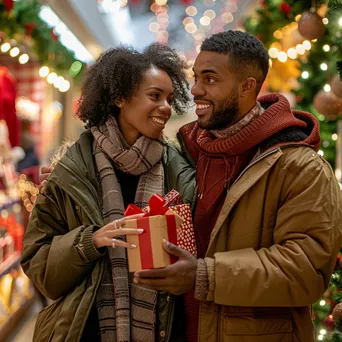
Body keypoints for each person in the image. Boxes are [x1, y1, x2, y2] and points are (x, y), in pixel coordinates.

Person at [132, 30, 342, 342]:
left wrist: (204, 275)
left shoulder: (299, 167)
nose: (195, 90)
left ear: (247, 87)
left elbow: (305, 271)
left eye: (210, 79)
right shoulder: (192, 154)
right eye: (196, 77)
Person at [21, 43, 195, 342]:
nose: (166, 107)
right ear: (119, 97)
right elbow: (40, 268)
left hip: (163, 326)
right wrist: (91, 240)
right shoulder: (70, 171)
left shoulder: (179, 169)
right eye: (155, 96)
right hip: (86, 329)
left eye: (170, 99)